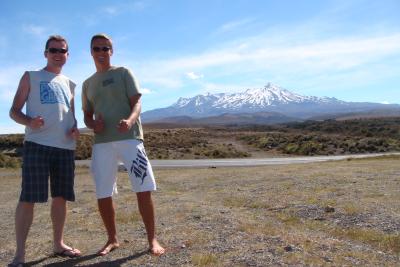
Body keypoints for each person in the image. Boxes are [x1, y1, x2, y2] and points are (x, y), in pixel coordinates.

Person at [82, 33, 165, 256]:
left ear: (112, 51)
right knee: (103, 192)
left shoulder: (123, 73)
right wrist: (92, 125)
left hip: (130, 139)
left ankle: (152, 239)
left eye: (105, 48)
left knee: (143, 188)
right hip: (102, 143)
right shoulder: (87, 84)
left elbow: (137, 102)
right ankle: (112, 240)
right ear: (91, 52)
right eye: (97, 48)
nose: (101, 52)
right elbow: (87, 116)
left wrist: (129, 121)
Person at [8, 35, 81, 267]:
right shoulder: (31, 76)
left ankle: (58, 244)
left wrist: (74, 129)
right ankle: (20, 255)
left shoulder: (70, 84)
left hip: (64, 148)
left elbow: (71, 115)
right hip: (37, 146)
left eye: (62, 50)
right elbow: (13, 111)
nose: (58, 54)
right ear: (45, 53)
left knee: (60, 198)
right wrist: (30, 122)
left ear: (68, 54)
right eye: (53, 50)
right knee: (28, 197)